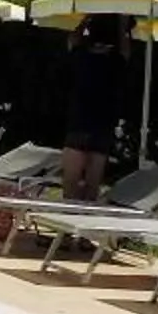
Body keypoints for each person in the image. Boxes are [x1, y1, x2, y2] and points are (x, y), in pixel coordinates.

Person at [61, 21, 128, 202]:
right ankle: (79, 218)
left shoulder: (82, 55)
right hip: (100, 123)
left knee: (72, 181)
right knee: (90, 183)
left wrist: (85, 18)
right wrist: (122, 25)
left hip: (81, 122)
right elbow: (125, 48)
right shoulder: (115, 59)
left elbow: (72, 38)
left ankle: (72, 218)